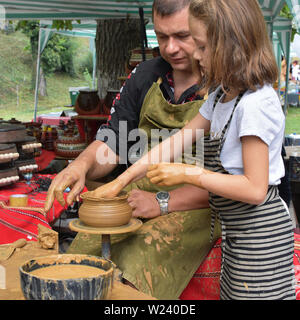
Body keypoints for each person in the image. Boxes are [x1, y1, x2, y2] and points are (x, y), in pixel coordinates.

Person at [89, 0, 296, 300]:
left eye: (201, 46)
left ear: (231, 45)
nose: (196, 56)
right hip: (236, 229)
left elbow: (254, 189)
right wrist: (120, 182)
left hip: (260, 235)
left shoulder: (255, 104)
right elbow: (172, 145)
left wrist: (189, 173)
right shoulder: (221, 97)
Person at [44, 0, 220, 299]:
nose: (171, 48)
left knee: (135, 264)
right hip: (140, 187)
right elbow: (114, 141)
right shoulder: (146, 74)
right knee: (78, 261)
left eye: (182, 36)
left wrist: (163, 202)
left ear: (207, 29)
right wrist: (82, 165)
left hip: (203, 201)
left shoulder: (225, 83)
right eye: (162, 37)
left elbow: (239, 182)